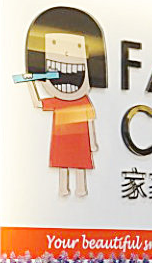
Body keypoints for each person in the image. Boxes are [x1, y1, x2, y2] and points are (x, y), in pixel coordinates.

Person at [25, 32, 99, 197]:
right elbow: (38, 104)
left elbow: (90, 120)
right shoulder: (59, 101)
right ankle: (63, 188)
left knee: (79, 165)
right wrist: (30, 84)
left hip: (79, 141)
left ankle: (80, 188)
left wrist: (92, 143)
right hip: (63, 141)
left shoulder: (82, 100)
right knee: (64, 165)